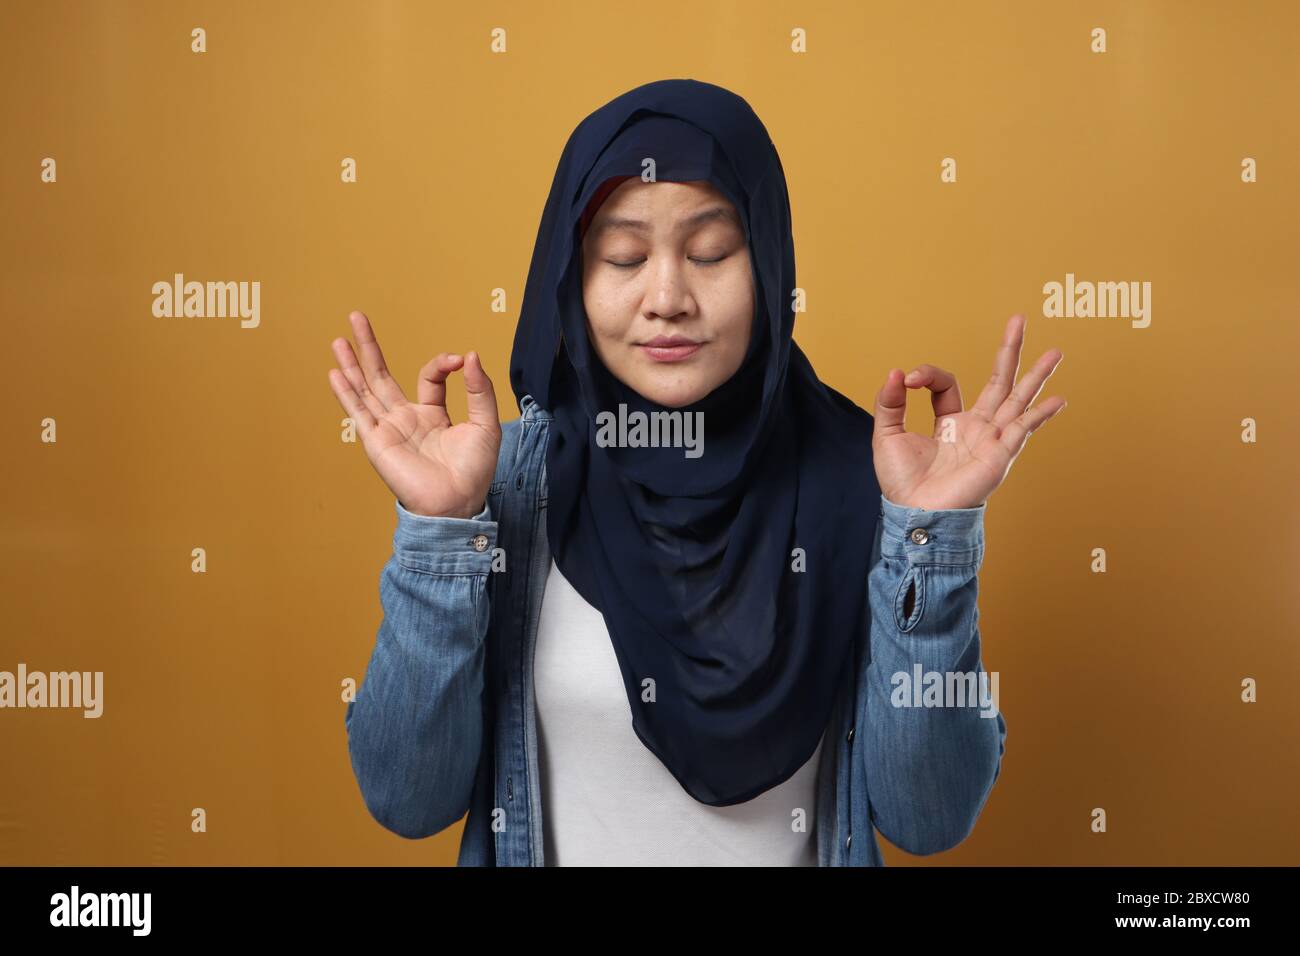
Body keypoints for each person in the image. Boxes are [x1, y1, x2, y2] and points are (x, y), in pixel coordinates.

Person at [329, 78, 1065, 866]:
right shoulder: (500, 488)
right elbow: (406, 799)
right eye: (623, 256)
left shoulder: (875, 483)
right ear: (572, 281)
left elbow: (929, 817)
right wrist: (440, 531)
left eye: (711, 251)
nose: (668, 297)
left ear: (771, 264)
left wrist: (932, 538)